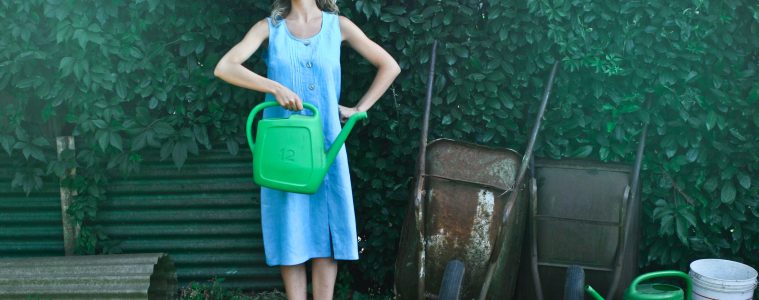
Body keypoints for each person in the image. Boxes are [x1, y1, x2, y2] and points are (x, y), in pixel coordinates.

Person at [214, 0, 400, 299]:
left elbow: (390, 66)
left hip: (326, 147)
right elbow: (224, 67)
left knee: (327, 233)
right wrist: (275, 87)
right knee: (290, 229)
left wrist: (358, 109)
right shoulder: (268, 28)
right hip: (283, 151)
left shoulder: (338, 26)